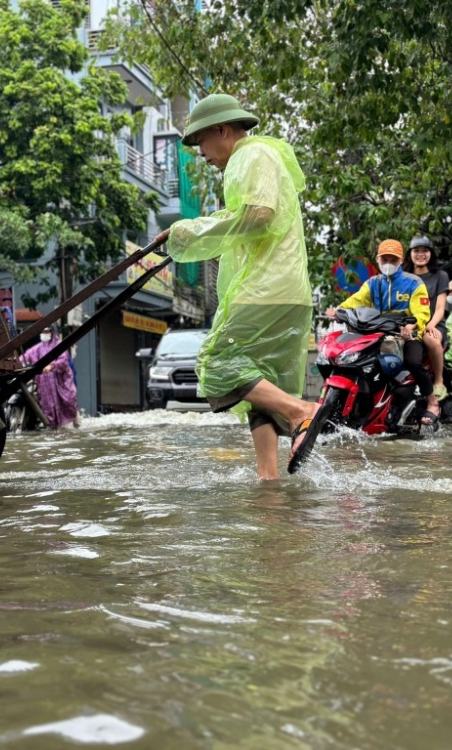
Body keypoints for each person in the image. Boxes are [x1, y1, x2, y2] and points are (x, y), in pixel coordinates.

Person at [152, 93, 317, 479]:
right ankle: (269, 482)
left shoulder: (249, 155)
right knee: (260, 389)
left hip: (265, 291)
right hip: (288, 293)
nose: (201, 154)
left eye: (200, 142)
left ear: (222, 130)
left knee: (216, 366)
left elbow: (258, 215)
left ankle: (302, 413)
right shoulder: (264, 157)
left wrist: (189, 230)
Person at [325, 239, 436, 419]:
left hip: (406, 335)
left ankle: (432, 402)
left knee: (413, 362)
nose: (388, 264)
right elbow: (356, 300)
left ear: (401, 261)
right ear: (378, 260)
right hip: (377, 334)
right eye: (385, 259)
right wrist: (337, 310)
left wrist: (412, 325)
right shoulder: (373, 283)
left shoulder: (414, 283)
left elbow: (422, 312)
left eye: (393, 260)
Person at [403, 236, 448, 414]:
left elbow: (440, 309)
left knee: (431, 340)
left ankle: (438, 380)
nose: (421, 254)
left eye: (425, 251)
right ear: (410, 254)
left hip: (433, 324)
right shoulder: (404, 277)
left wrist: (429, 325)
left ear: (431, 254)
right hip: (410, 326)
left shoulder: (440, 276)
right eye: (416, 251)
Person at [19, 325, 79, 429]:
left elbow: (63, 360)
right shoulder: (38, 348)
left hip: (60, 381)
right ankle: (53, 426)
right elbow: (26, 356)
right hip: (45, 383)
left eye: (46, 332)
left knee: (67, 401)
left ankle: (71, 420)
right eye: (42, 332)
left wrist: (52, 366)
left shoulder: (59, 345)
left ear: (52, 333)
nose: (44, 334)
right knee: (48, 405)